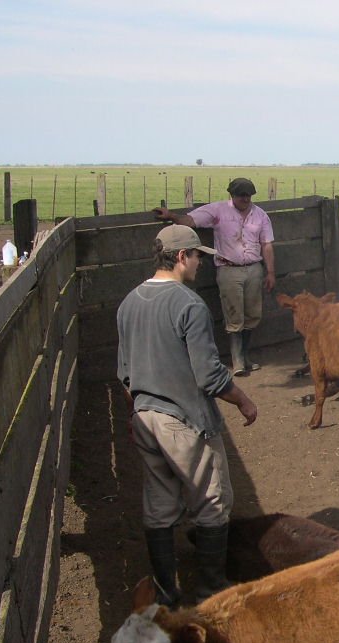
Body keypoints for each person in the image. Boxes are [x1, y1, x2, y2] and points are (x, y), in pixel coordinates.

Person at [117, 224, 259, 606]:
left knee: (160, 503)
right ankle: (211, 586)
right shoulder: (189, 306)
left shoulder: (129, 302)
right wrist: (243, 400)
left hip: (146, 417)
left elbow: (125, 373)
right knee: (212, 500)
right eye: (198, 256)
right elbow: (209, 375)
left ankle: (166, 591)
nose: (201, 263)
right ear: (181, 257)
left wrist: (139, 415)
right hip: (184, 420)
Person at [154, 178, 275, 376]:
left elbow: (267, 244)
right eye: (240, 195)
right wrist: (171, 216)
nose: (245, 198)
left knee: (253, 314)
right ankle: (237, 361)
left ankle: (245, 356)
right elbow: (191, 221)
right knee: (234, 314)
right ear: (232, 195)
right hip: (229, 269)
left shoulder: (260, 215)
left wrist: (270, 272)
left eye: (248, 195)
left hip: (254, 268)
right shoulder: (218, 211)